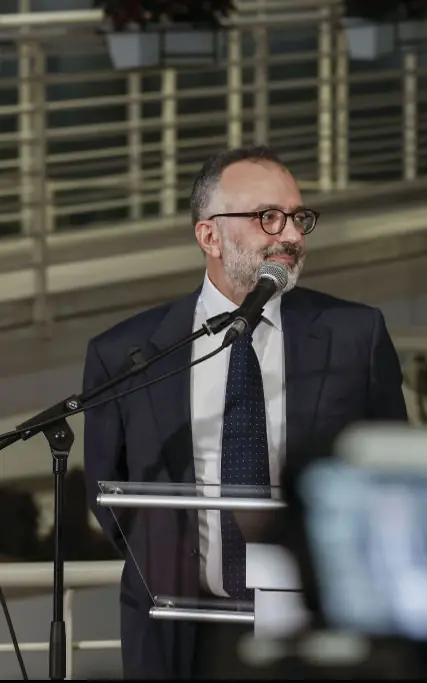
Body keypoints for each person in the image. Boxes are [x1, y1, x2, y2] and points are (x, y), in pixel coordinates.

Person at [82, 145, 408, 679]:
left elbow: (392, 472)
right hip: (174, 627)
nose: (292, 237)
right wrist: (170, 564)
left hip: (312, 630)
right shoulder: (129, 354)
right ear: (209, 235)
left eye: (299, 218)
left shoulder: (355, 336)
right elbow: (110, 495)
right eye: (268, 218)